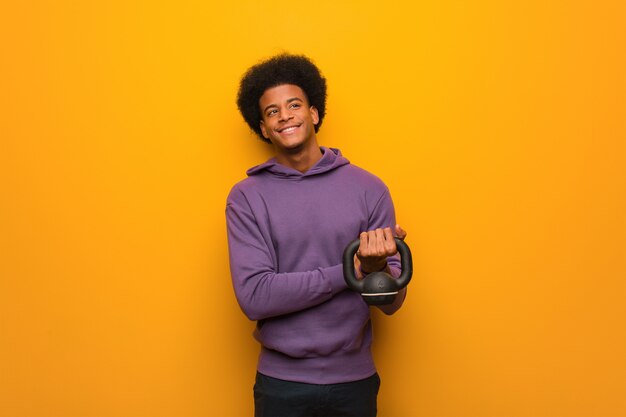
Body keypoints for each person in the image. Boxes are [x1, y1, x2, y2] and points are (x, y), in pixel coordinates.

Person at [226, 53, 409, 417]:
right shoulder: (246, 197)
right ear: (263, 128)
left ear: (313, 113)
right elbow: (255, 297)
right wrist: (350, 271)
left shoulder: (369, 188)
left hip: (354, 382)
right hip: (281, 385)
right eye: (272, 111)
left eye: (294, 105)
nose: (285, 116)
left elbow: (392, 302)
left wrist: (376, 270)